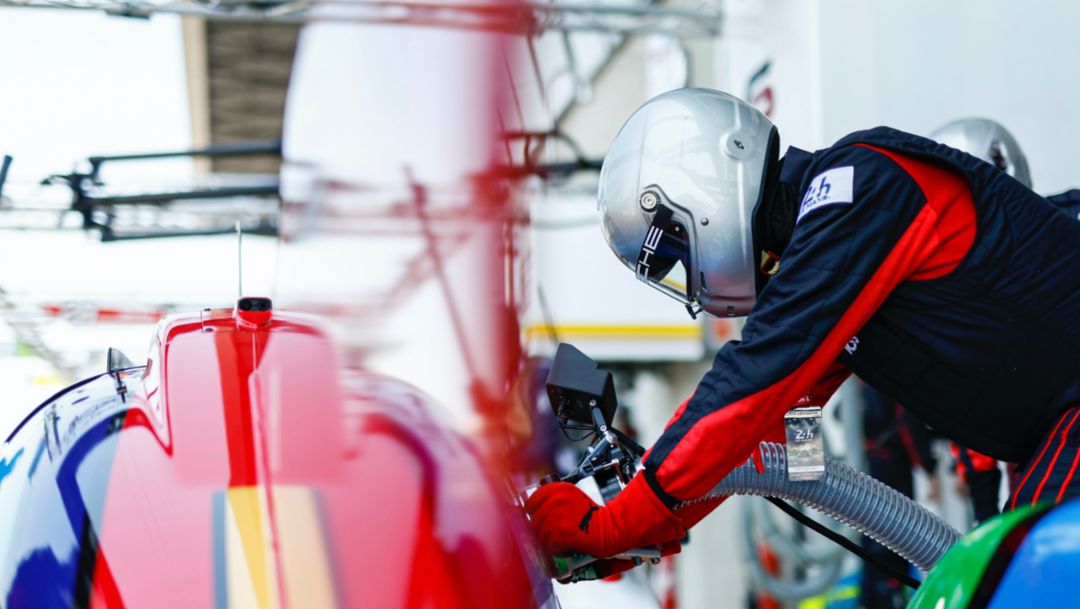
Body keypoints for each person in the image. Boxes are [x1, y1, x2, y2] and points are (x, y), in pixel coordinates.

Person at [524, 88, 1080, 566]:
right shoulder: (829, 270)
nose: (689, 276)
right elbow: (786, 444)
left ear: (705, 193)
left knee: (1027, 580)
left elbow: (755, 376)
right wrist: (650, 523)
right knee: (1007, 577)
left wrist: (627, 520)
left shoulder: (855, 187)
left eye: (675, 248)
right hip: (1056, 424)